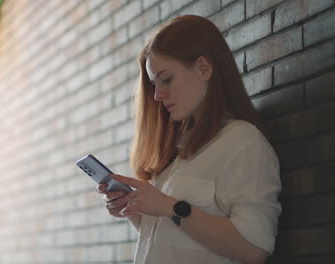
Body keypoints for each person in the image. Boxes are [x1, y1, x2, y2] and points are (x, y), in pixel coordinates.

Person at [96, 15, 282, 264]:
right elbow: (174, 243)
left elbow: (254, 248)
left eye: (167, 79)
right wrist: (133, 210)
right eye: (154, 84)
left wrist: (170, 207)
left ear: (204, 68)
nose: (158, 95)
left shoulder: (243, 141)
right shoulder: (176, 149)